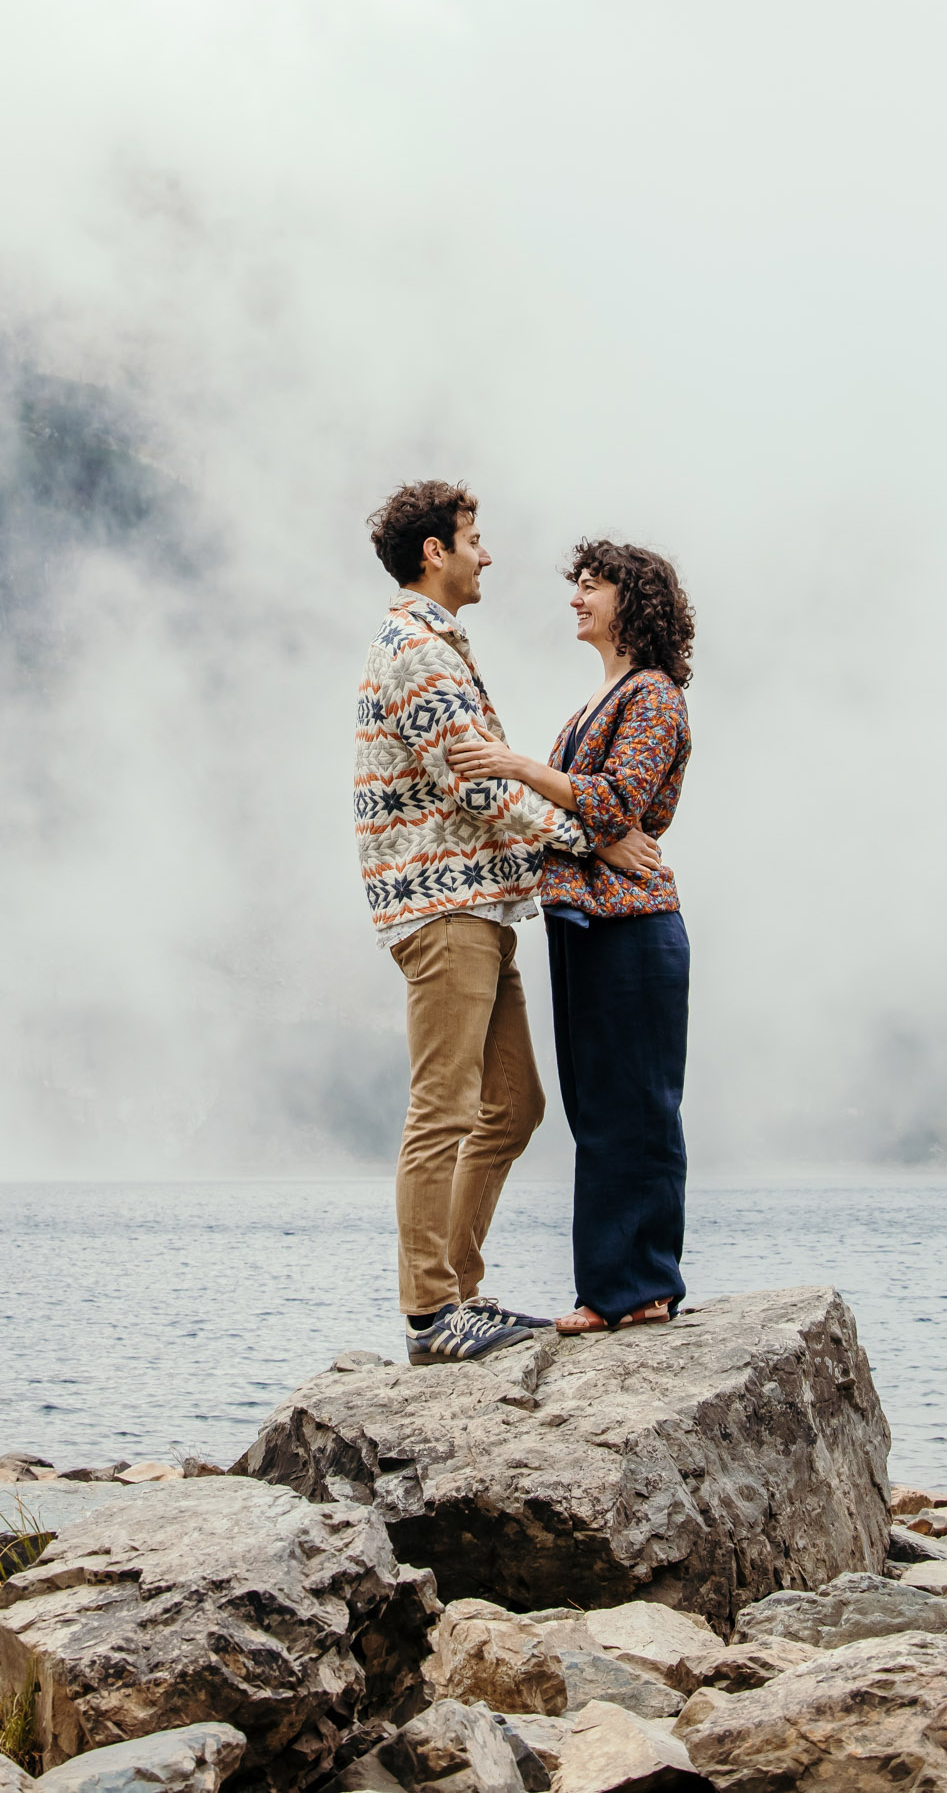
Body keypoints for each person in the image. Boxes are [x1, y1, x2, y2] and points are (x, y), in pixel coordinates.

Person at [356, 482, 663, 1365]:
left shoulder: (437, 646)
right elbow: (478, 789)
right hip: (443, 905)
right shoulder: (417, 651)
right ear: (435, 553)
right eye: (473, 538)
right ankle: (431, 1315)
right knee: (443, 1108)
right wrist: (594, 838)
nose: (485, 553)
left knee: (516, 1105)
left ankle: (455, 1289)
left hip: (479, 904)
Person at [449, 540, 693, 1333]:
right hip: (582, 920)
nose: (575, 598)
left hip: (634, 925)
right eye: (577, 585)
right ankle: (609, 1287)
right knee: (595, 1110)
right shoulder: (597, 699)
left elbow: (615, 800)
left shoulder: (653, 695)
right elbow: (586, 816)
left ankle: (640, 1287)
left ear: (632, 601)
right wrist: (574, 815)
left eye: (591, 586)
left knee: (637, 1106)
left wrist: (516, 766)